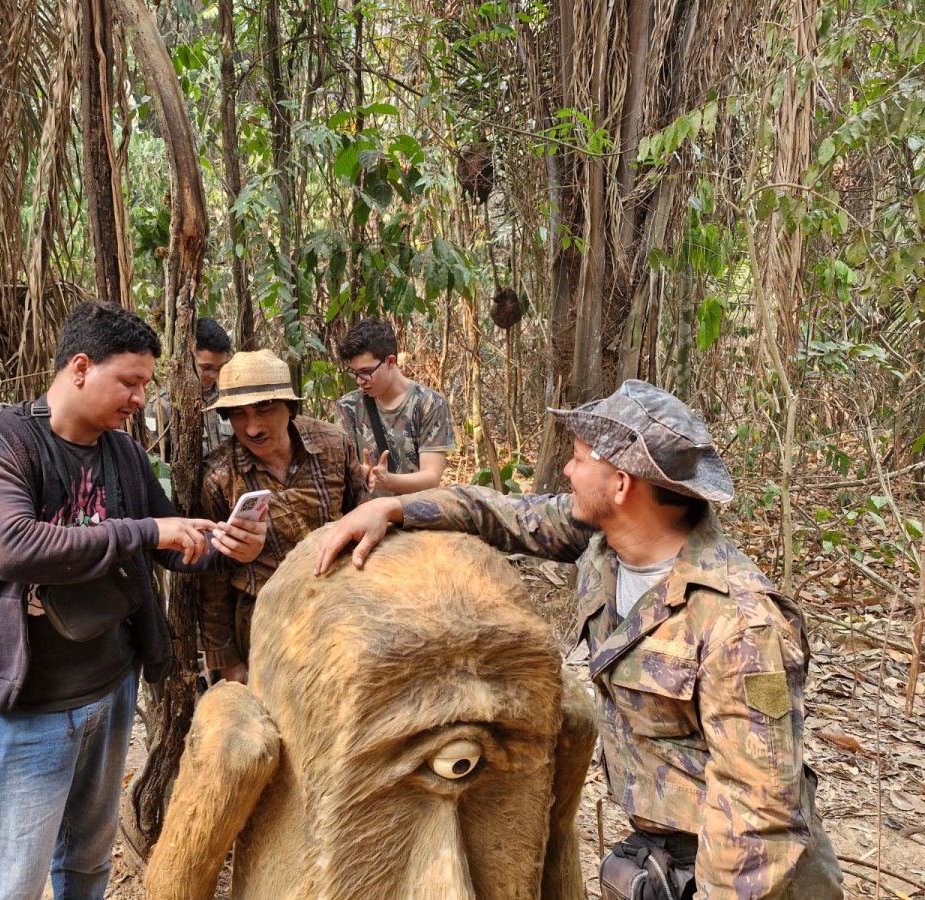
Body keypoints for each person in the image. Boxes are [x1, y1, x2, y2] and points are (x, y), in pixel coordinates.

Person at [315, 380, 844, 900]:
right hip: (669, 850)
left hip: (745, 874)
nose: (567, 471)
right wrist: (393, 508)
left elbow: (760, 816)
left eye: (578, 459)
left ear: (621, 485)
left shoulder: (741, 624)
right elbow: (500, 514)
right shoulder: (605, 541)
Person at [0, 301, 267, 900]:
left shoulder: (121, 453)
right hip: (25, 710)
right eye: (129, 382)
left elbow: (170, 543)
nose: (140, 399)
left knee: (88, 866)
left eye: (144, 384)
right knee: (10, 887)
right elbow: (12, 547)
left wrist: (227, 547)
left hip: (109, 690)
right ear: (79, 368)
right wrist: (146, 531)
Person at [198, 349, 368, 683]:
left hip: (340, 607)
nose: (252, 427)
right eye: (238, 414)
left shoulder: (334, 446)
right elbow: (213, 579)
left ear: (289, 407)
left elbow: (362, 517)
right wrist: (227, 661)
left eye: (264, 409)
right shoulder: (219, 477)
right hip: (265, 620)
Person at [334, 317, 455, 496]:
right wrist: (356, 475)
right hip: (365, 509)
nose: (359, 381)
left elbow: (431, 477)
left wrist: (389, 481)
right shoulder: (348, 406)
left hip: (414, 509)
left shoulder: (430, 404)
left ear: (390, 361)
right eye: (355, 373)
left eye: (366, 372)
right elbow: (340, 471)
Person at [145, 316, 234, 457]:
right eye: (206, 368)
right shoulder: (161, 406)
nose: (213, 375)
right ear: (188, 359)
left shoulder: (230, 398)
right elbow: (152, 460)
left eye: (220, 368)